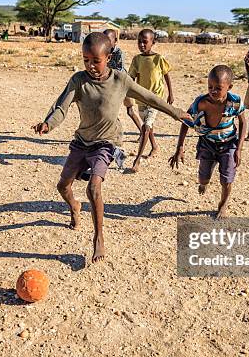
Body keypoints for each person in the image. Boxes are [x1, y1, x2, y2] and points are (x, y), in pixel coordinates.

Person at [32, 32, 190, 263]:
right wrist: (48, 124)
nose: (90, 65)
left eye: (96, 61)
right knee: (63, 186)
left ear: (109, 57)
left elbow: (150, 98)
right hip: (82, 142)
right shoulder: (79, 80)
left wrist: (176, 113)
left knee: (94, 189)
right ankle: (75, 206)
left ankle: (98, 238)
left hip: (106, 143)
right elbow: (61, 107)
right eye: (86, 60)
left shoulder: (120, 80)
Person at [169, 65, 247, 218]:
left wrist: (239, 148)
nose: (213, 91)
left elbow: (243, 122)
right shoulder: (201, 103)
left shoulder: (235, 102)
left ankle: (223, 205)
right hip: (207, 144)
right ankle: (205, 181)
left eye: (218, 88)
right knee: (202, 178)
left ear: (229, 87)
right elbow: (185, 121)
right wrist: (180, 147)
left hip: (229, 144)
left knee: (227, 179)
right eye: (210, 87)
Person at [128, 29, 174, 172]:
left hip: (156, 98)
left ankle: (137, 160)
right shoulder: (137, 59)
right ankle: (154, 146)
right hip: (142, 97)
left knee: (146, 126)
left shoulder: (158, 59)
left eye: (145, 41)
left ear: (153, 43)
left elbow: (166, 76)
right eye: (139, 41)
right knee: (149, 124)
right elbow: (131, 78)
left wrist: (171, 93)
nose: (141, 44)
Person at [103, 28, 143, 134]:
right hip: (110, 85)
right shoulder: (103, 52)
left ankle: (143, 132)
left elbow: (119, 70)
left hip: (122, 84)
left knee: (130, 111)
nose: (106, 43)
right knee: (109, 111)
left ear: (115, 40)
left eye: (109, 40)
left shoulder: (119, 53)